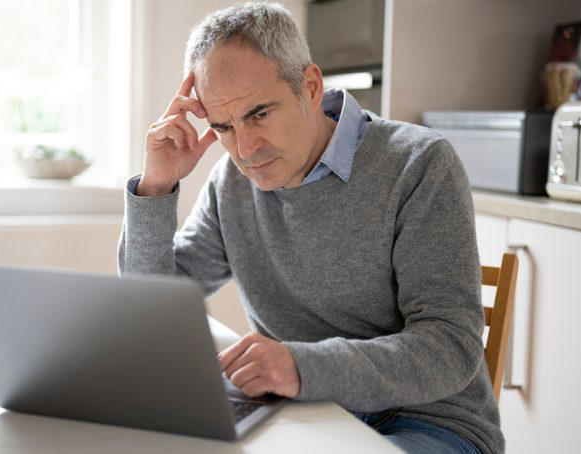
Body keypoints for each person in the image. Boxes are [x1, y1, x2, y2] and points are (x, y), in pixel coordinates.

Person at [118, 3, 502, 453]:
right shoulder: (231, 185)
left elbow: (450, 346)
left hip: (428, 420)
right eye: (223, 126)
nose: (245, 148)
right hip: (302, 412)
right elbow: (154, 306)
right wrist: (157, 185)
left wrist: (300, 366)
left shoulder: (418, 164)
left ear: (311, 87)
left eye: (259, 113)